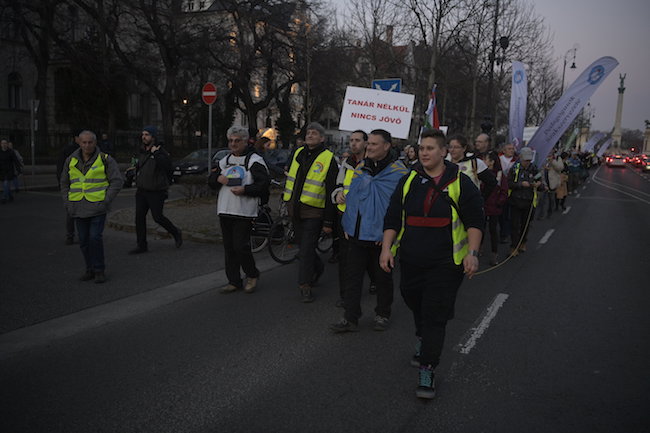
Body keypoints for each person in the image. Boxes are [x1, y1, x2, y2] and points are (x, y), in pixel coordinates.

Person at [380, 128, 484, 400]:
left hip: (446, 263)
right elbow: (392, 217)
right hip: (411, 260)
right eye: (421, 148)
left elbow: (475, 221)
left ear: (443, 152)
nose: (424, 152)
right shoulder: (409, 180)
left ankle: (427, 368)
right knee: (413, 300)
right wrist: (386, 248)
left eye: (430, 148)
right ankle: (422, 337)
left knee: (435, 314)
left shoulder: (461, 183)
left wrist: (472, 253)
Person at [329, 129, 408, 333]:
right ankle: (350, 317)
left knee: (382, 279)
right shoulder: (362, 167)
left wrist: (390, 240)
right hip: (356, 234)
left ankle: (383, 313)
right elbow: (353, 198)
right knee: (352, 278)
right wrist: (348, 225)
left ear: (387, 146)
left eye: (373, 144)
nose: (369, 147)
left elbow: (401, 210)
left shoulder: (400, 173)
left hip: (381, 239)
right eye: (369, 143)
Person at [209, 126, 270, 294]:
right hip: (225, 209)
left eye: (237, 141)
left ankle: (252, 274)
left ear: (245, 141)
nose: (233, 144)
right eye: (230, 141)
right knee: (229, 248)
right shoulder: (225, 160)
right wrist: (217, 178)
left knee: (240, 246)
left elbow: (263, 185)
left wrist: (245, 190)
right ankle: (234, 280)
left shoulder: (254, 160)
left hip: (244, 211)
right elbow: (211, 180)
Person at [283, 122, 337, 302]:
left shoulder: (329, 158)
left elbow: (331, 192)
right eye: (308, 133)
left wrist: (329, 222)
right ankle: (318, 267)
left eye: (314, 133)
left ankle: (305, 285)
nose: (310, 135)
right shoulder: (298, 153)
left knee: (305, 250)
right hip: (295, 210)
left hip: (314, 212)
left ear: (322, 138)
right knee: (303, 246)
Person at [60, 130, 122, 283]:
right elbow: (64, 183)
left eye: (90, 142)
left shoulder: (105, 159)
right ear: (79, 143)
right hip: (78, 208)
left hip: (97, 207)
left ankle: (99, 270)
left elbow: (117, 181)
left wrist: (106, 200)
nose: (87, 145)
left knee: (94, 238)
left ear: (95, 143)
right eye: (84, 142)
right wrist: (68, 203)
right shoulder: (71, 160)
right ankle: (90, 269)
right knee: (84, 241)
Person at [129, 126, 182, 254]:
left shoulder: (160, 151)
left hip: (156, 190)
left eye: (147, 134)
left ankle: (175, 232)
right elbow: (138, 164)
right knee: (139, 218)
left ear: (153, 137)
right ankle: (141, 245)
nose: (144, 137)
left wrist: (156, 153)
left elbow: (167, 166)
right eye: (143, 134)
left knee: (157, 217)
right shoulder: (141, 151)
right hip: (142, 190)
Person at [331, 130, 369, 306]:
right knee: (346, 257)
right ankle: (346, 295)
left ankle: (374, 281)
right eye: (351, 140)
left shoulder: (371, 164)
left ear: (366, 143)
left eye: (357, 140)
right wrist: (338, 194)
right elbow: (339, 185)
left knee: (365, 257)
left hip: (365, 218)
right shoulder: (346, 163)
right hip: (345, 216)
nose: (353, 143)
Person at [508, 146, 541, 255]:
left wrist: (538, 184)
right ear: (520, 157)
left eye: (529, 160)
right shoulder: (514, 168)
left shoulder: (534, 168)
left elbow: (539, 181)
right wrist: (520, 184)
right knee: (514, 225)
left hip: (529, 201)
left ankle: (523, 242)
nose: (527, 162)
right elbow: (509, 183)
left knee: (525, 224)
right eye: (525, 160)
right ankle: (514, 247)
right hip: (516, 201)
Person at [447, 134, 497, 200]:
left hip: (469, 203)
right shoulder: (445, 163)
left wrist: (481, 198)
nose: (452, 150)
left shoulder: (475, 163)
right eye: (450, 147)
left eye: (456, 147)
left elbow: (491, 182)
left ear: (464, 148)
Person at [57, 130, 83, 244]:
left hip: (77, 186)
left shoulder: (70, 150)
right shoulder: (69, 151)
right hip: (74, 185)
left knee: (73, 213)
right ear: (76, 138)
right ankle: (72, 235)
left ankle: (71, 236)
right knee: (73, 212)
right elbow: (61, 168)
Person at [483, 151, 508, 265]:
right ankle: (478, 247)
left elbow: (504, 190)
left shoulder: (499, 174)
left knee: (493, 230)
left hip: (493, 206)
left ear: (492, 161)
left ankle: (494, 253)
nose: (484, 161)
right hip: (482, 205)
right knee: (480, 228)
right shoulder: (481, 173)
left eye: (486, 159)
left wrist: (499, 202)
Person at [0, 139, 19, 204]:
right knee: (6, 185)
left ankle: (4, 197)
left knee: (6, 183)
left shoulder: (11, 152)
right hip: (2, 171)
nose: (4, 144)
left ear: (7, 144)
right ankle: (10, 196)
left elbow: (16, 161)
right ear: (1, 144)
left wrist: (18, 169)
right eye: (2, 143)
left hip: (9, 171)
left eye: (5, 143)